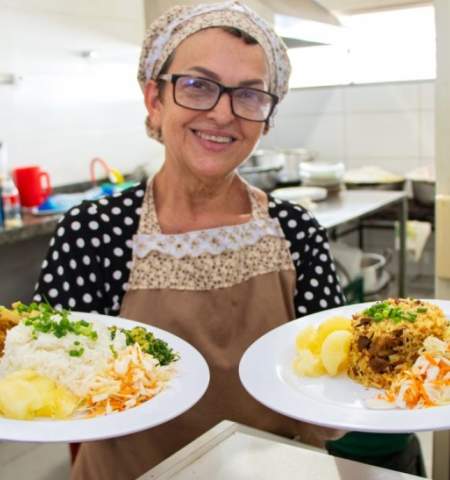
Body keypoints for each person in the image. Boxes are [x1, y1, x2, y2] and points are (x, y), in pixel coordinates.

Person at [34, 2, 346, 479]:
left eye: (249, 95)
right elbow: (44, 378)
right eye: (198, 86)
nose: (223, 113)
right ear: (154, 100)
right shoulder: (94, 231)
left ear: (266, 117)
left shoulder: (296, 230)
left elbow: (333, 383)